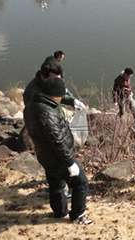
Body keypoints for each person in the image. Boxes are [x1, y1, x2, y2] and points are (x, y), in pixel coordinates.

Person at [23, 77, 93, 225]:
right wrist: (69, 162)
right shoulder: (47, 113)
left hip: (44, 154)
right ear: (52, 94)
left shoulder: (31, 105)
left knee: (56, 184)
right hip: (58, 157)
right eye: (60, 96)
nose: (61, 99)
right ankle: (78, 215)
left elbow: (46, 132)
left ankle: (60, 211)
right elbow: (57, 140)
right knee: (81, 183)